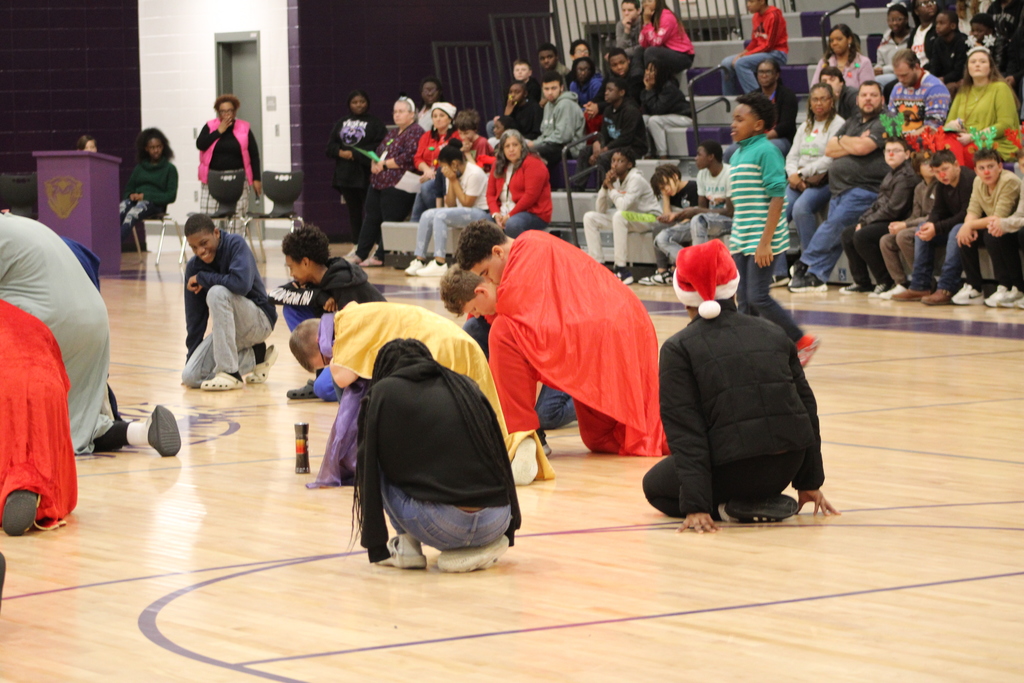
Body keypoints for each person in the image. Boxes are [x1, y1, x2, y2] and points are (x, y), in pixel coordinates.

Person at [642, 240, 838, 531]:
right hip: (787, 465)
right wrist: (809, 482)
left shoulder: (677, 348)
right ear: (734, 285)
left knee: (654, 486)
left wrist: (695, 505)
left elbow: (686, 431)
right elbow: (806, 409)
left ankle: (727, 509)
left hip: (734, 469)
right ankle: (758, 499)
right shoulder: (775, 332)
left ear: (683, 296)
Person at [447, 222, 667, 457]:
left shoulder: (529, 251)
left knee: (503, 332)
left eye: (486, 274)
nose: (487, 281)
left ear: (498, 253)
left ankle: (524, 438)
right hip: (594, 331)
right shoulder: (519, 258)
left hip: (614, 331)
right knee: (597, 437)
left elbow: (519, 317)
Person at [290, 302, 552, 484]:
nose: (331, 361)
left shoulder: (344, 332)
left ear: (320, 341)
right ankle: (515, 447)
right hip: (452, 341)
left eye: (325, 358)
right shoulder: (348, 315)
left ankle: (515, 449)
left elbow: (342, 377)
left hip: (441, 349)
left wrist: (333, 361)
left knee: (466, 416)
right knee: (481, 412)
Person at [0, 214, 181, 457]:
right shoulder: (24, 226)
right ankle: (142, 432)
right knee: (78, 420)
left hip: (47, 324)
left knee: (34, 428)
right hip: (94, 320)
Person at [353, 339, 521, 573]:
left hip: (442, 525)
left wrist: (376, 546)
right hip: (497, 518)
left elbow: (367, 471)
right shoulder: (465, 385)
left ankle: (407, 548)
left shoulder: (381, 394)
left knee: (376, 456)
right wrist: (510, 527)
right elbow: (501, 456)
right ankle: (480, 544)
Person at [728, 93, 820, 364]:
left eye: (739, 119)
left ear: (758, 125)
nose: (733, 124)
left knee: (758, 296)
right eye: (732, 118)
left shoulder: (767, 151)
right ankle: (752, 352)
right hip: (742, 234)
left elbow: (778, 197)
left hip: (762, 236)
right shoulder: (736, 155)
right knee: (743, 299)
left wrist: (765, 242)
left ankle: (802, 340)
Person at [789, 82, 891, 293]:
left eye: (874, 95)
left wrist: (844, 142)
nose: (868, 99)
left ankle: (804, 262)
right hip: (839, 190)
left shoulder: (887, 120)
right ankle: (816, 277)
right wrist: (850, 141)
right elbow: (830, 148)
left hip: (866, 189)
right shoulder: (853, 121)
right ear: (857, 99)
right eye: (864, 95)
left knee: (832, 225)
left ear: (882, 100)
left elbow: (863, 148)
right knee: (838, 233)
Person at [268, 225, 385, 399]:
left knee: (323, 389)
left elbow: (357, 338)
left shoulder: (345, 283)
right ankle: (322, 372)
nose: (291, 274)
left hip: (371, 350)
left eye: (292, 267)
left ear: (306, 262)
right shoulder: (315, 280)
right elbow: (275, 295)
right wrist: (319, 296)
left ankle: (346, 382)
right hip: (340, 347)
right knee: (292, 308)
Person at [0, 300, 78, 536]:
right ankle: (33, 488)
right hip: (46, 381)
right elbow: (64, 383)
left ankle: (15, 487)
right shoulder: (17, 313)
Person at [182, 214, 278, 391]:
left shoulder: (235, 244)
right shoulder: (193, 268)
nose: (200, 251)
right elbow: (195, 319)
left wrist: (204, 278)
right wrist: (193, 357)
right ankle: (256, 357)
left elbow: (240, 285)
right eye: (194, 247)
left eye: (204, 243)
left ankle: (229, 373)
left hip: (259, 321)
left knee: (217, 292)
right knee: (191, 377)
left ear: (216, 233)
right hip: (227, 330)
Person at [891, 149, 978, 303]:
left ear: (956, 165)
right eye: (937, 172)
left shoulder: (968, 179)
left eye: (945, 169)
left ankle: (946, 287)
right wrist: (930, 224)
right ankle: (920, 285)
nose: (942, 175)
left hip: (973, 226)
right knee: (922, 228)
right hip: (952, 225)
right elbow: (938, 210)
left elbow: (965, 214)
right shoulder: (942, 184)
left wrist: (937, 228)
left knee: (956, 231)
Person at [838, 138, 919, 295]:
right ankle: (861, 282)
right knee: (848, 234)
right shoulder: (891, 174)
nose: (891, 154)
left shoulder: (906, 177)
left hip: (898, 221)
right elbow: (878, 203)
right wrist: (863, 220)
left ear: (907, 154)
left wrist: (866, 223)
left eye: (896, 151)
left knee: (862, 236)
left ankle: (885, 281)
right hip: (885, 219)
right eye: (888, 151)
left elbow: (893, 209)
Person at [352, 97, 424, 267]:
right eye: (395, 111)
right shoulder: (392, 133)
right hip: (379, 181)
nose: (396, 115)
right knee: (371, 217)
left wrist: (383, 164)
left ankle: (380, 255)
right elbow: (379, 151)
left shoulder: (416, 132)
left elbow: (408, 157)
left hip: (400, 182)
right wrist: (373, 162)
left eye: (401, 111)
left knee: (390, 219)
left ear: (412, 115)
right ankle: (360, 254)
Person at [405, 145, 491, 277]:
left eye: (444, 166)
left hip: (481, 213)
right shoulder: (451, 174)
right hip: (463, 211)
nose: (442, 170)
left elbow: (467, 203)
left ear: (455, 164)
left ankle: (440, 262)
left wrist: (453, 180)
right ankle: (419, 259)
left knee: (440, 215)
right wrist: (451, 180)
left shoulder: (475, 173)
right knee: (427, 215)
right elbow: (450, 204)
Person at [955, 147, 1023, 306]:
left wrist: (969, 224)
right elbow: (973, 209)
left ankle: (1010, 286)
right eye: (982, 168)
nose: (986, 172)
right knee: (963, 234)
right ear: (976, 170)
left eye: (991, 166)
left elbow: (1000, 216)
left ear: (1000, 167)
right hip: (997, 225)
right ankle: (974, 287)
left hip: (1012, 227)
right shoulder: (978, 181)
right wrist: (967, 226)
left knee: (992, 235)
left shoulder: (1009, 181)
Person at [784, 83, 845, 261]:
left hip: (823, 181)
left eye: (823, 99)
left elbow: (829, 158)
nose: (819, 103)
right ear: (810, 103)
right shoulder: (806, 126)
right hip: (798, 179)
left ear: (831, 102)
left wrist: (802, 174)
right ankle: (777, 271)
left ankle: (809, 263)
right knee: (779, 210)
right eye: (815, 99)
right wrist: (792, 175)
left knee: (801, 209)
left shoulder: (838, 124)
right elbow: (792, 155)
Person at [583, 149, 662, 283]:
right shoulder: (615, 181)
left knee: (619, 215)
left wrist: (611, 188)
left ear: (629, 165)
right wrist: (604, 187)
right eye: (613, 161)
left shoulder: (635, 179)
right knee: (590, 217)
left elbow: (623, 206)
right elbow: (600, 209)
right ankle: (599, 266)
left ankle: (621, 269)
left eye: (620, 161)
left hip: (650, 218)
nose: (615, 164)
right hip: (630, 218)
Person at [650, 141, 733, 270]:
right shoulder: (702, 175)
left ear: (710, 157)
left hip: (728, 221)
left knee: (698, 220)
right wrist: (682, 215)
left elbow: (729, 212)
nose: (695, 158)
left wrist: (693, 212)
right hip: (707, 221)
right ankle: (691, 265)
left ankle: (702, 269)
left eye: (699, 155)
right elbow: (701, 210)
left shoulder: (729, 173)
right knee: (662, 238)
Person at [326, 90, 387, 245]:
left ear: (367, 103)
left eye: (362, 101)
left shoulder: (375, 123)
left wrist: (356, 155)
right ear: (349, 104)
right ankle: (357, 244)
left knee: (372, 211)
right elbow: (330, 146)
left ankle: (376, 244)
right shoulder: (341, 122)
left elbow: (382, 146)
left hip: (366, 174)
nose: (359, 105)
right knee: (353, 212)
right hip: (345, 176)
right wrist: (341, 152)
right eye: (355, 102)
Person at [878, 150, 939, 299]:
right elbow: (915, 215)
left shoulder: (940, 185)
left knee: (904, 236)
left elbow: (933, 216)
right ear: (917, 168)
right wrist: (900, 224)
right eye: (925, 163)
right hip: (920, 224)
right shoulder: (919, 188)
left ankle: (923, 281)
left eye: (932, 161)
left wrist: (905, 226)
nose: (930, 165)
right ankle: (901, 283)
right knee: (886, 239)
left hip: (935, 225)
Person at [944, 46, 1020, 164]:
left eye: (982, 61)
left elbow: (1005, 125)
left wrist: (973, 137)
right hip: (963, 140)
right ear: (967, 67)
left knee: (964, 153)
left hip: (994, 143)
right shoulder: (964, 91)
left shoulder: (1000, 88)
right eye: (973, 62)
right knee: (942, 148)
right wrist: (952, 125)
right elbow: (947, 124)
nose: (977, 65)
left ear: (990, 67)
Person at [573, 77, 648, 189]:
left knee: (603, 157)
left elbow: (626, 138)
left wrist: (604, 149)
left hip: (632, 147)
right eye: (605, 90)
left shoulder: (631, 110)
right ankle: (577, 188)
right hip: (614, 146)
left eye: (610, 90)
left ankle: (603, 191)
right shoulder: (608, 110)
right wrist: (597, 142)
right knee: (585, 151)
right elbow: (604, 133)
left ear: (621, 92)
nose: (606, 93)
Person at [196, 94, 261, 216]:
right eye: (223, 112)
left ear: (235, 111)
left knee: (237, 217)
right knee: (208, 217)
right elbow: (201, 144)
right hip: (213, 177)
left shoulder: (244, 128)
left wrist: (256, 178)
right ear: (218, 113)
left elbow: (254, 155)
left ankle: (235, 236)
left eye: (230, 111)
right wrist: (218, 131)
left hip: (238, 178)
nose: (226, 115)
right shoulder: (210, 126)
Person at [119, 128, 178, 251]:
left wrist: (145, 196)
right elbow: (127, 190)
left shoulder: (170, 169)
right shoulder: (139, 168)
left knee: (132, 214)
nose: (156, 150)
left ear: (163, 147)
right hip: (137, 201)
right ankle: (105, 244)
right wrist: (131, 195)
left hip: (155, 205)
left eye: (159, 146)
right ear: (146, 149)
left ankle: (114, 247)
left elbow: (170, 196)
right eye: (152, 147)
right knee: (121, 208)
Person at [486, 129, 552, 237]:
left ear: (522, 146)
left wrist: (509, 216)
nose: (511, 149)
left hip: (533, 213)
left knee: (513, 224)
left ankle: (520, 253)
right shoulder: (497, 165)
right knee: (483, 224)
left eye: (515, 145)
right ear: (502, 149)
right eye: (507, 146)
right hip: (504, 212)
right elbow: (490, 194)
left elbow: (530, 196)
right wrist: (496, 214)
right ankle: (495, 253)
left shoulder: (534, 163)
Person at [637, 164, 693, 285]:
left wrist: (677, 224)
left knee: (674, 231)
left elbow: (696, 215)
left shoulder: (692, 187)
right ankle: (662, 272)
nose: (666, 189)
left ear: (675, 176)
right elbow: (668, 219)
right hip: (680, 225)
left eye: (666, 184)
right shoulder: (670, 194)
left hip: (692, 225)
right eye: (662, 188)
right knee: (659, 228)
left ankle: (675, 269)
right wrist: (666, 197)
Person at [720, 0, 789, 95]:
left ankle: (758, 99)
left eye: (751, 1)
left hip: (776, 53)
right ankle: (730, 99)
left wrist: (744, 56)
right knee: (726, 63)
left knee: (741, 63)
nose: (748, 5)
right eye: (747, 2)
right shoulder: (756, 17)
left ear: (762, 2)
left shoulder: (774, 16)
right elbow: (755, 41)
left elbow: (769, 45)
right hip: (761, 52)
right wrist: (742, 53)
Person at [411, 102, 460, 222]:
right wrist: (427, 170)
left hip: (446, 175)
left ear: (450, 119)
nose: (437, 119)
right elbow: (418, 158)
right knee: (422, 188)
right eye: (435, 116)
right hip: (428, 175)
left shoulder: (456, 136)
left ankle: (436, 219)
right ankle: (416, 224)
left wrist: (434, 174)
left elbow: (454, 160)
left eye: (441, 116)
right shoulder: (426, 136)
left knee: (425, 188)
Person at [526, 71, 585, 168]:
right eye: (546, 89)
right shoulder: (548, 106)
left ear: (561, 88)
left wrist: (536, 143)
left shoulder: (565, 104)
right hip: (552, 145)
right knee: (522, 150)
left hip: (570, 147)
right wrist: (533, 143)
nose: (550, 92)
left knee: (535, 154)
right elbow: (545, 133)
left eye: (553, 88)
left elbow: (563, 137)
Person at [888, 49, 952, 136]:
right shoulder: (897, 88)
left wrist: (904, 139)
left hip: (925, 144)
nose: (900, 80)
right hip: (900, 143)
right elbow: (890, 121)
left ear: (917, 67)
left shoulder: (935, 88)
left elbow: (932, 128)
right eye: (897, 76)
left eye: (904, 75)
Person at [640, 59, 693, 159]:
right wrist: (647, 89)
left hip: (683, 117)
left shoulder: (669, 87)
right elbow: (645, 110)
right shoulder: (651, 87)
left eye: (653, 71)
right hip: (666, 117)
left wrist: (649, 90)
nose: (649, 74)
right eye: (648, 70)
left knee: (654, 120)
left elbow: (657, 110)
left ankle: (663, 154)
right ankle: (648, 152)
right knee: (643, 119)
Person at [632, 0, 696, 77]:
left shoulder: (667, 16)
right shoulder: (649, 17)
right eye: (644, 2)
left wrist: (647, 23)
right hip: (664, 52)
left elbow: (656, 42)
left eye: (649, 1)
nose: (646, 4)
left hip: (683, 56)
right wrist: (646, 23)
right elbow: (643, 43)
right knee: (639, 51)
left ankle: (653, 81)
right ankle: (637, 81)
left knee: (651, 51)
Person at [810, 25, 875, 91]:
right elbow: (814, 89)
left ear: (849, 40)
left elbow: (868, 91)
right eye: (831, 40)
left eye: (839, 39)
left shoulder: (863, 62)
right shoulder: (824, 62)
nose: (834, 43)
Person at [929, 10, 970, 96]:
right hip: (942, 78)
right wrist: (934, 79)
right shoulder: (937, 42)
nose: (937, 26)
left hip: (960, 79)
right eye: (937, 23)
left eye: (941, 23)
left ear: (953, 26)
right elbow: (934, 65)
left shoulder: (962, 41)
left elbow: (960, 70)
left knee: (950, 88)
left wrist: (944, 79)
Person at [875, 4, 913, 88]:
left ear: (906, 19)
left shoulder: (913, 37)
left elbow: (910, 62)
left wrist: (884, 70)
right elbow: (880, 62)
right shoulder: (885, 39)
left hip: (905, 74)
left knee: (878, 81)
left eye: (898, 19)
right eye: (891, 20)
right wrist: (877, 69)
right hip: (887, 75)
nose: (894, 23)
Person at [908, 0, 940, 68]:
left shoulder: (939, 30)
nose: (929, 5)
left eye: (932, 1)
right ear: (916, 11)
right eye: (924, 3)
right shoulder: (914, 32)